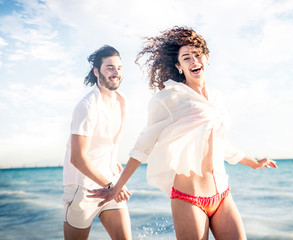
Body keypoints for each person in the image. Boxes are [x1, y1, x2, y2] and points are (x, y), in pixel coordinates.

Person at [88, 27, 278, 239]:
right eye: (186, 57)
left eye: (197, 55)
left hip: (222, 194)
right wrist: (117, 187)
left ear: (207, 58)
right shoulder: (170, 98)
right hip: (189, 198)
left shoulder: (216, 98)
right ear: (179, 66)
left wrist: (253, 163)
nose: (194, 60)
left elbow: (220, 143)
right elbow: (143, 146)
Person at [62, 45, 132, 240]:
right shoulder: (86, 106)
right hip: (83, 189)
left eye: (119, 67)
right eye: (109, 67)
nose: (116, 72)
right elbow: (78, 158)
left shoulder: (122, 100)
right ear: (96, 71)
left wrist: (112, 161)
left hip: (110, 182)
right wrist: (111, 186)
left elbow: (108, 141)